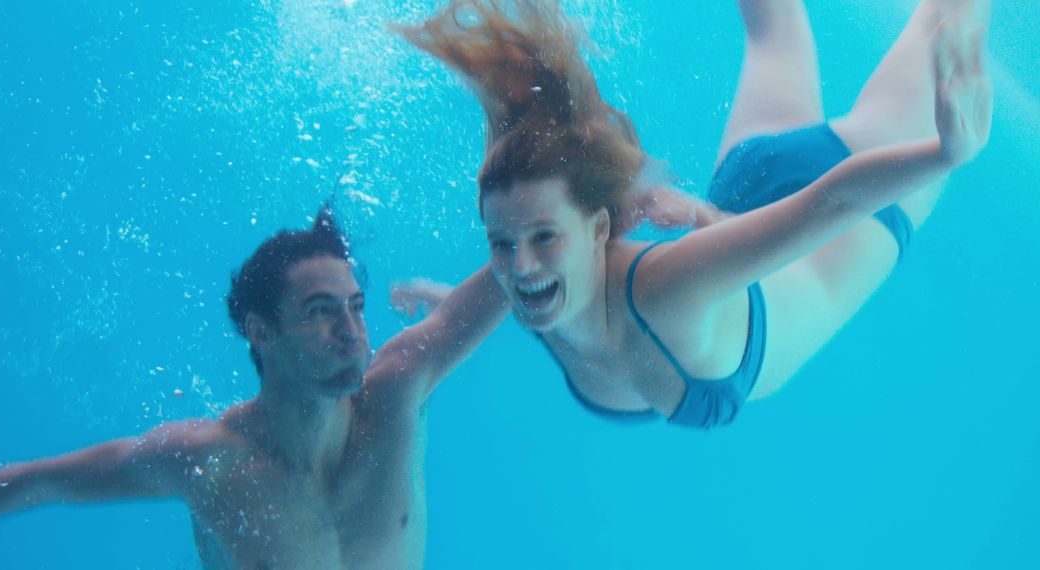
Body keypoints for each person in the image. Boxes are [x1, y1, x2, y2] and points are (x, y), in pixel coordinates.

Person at [393, 0, 991, 429]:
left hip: (850, 219)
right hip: (746, 186)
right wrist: (458, 302)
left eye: (544, 237)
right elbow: (444, 335)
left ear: (598, 230)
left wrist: (946, 154)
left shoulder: (661, 290)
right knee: (772, 25)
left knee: (947, 17)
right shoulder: (528, 277)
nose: (519, 266)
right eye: (500, 245)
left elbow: (830, 201)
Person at [0, 207, 507, 569]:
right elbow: (42, 481)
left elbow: (519, 266)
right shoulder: (209, 461)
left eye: (356, 307)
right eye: (321, 312)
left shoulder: (397, 394)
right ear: (261, 331)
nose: (351, 331)